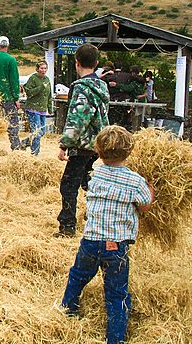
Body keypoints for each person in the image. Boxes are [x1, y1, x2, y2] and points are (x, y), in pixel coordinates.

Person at [61, 125, 154, 344]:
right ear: (129, 151)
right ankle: (115, 337)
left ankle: (68, 310)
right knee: (116, 292)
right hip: (116, 246)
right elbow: (145, 206)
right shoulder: (135, 181)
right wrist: (151, 188)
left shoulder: (95, 174)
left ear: (98, 151)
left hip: (90, 241)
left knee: (77, 276)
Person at [55, 43, 110, 238]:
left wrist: (64, 145)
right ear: (96, 63)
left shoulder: (80, 88)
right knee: (88, 183)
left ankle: (68, 226)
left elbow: (77, 119)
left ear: (77, 63)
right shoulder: (102, 86)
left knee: (68, 185)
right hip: (98, 145)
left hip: (82, 145)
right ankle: (96, 217)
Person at [22, 61, 53, 156]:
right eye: (41, 68)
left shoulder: (47, 79)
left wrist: (50, 108)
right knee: (37, 132)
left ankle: (26, 142)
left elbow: (49, 94)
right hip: (33, 108)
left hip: (42, 109)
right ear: (37, 69)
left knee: (42, 131)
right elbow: (28, 92)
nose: (43, 70)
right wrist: (40, 88)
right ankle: (35, 153)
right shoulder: (33, 78)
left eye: (45, 68)